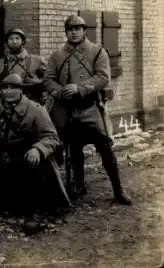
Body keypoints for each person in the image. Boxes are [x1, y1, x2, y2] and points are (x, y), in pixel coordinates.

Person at [44, 14, 131, 205]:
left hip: (90, 108)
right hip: (68, 110)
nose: (74, 33)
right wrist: (60, 92)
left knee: (105, 148)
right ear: (66, 32)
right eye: (70, 30)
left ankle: (118, 189)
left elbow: (103, 77)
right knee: (74, 149)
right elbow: (48, 79)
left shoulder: (97, 52)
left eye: (77, 29)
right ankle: (79, 185)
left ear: (84, 31)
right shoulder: (57, 55)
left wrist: (80, 88)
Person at [0, 73, 72, 233]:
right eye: (5, 88)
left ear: (21, 90)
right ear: (0, 91)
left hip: (31, 157)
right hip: (5, 158)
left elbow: (51, 137)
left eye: (13, 88)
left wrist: (38, 149)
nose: (8, 92)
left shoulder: (36, 110)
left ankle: (37, 211)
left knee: (35, 170)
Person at [0, 28, 48, 106]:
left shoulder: (37, 60)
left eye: (17, 38)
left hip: (31, 104)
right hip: (7, 104)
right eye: (11, 39)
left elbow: (49, 80)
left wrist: (37, 81)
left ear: (23, 41)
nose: (14, 41)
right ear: (7, 42)